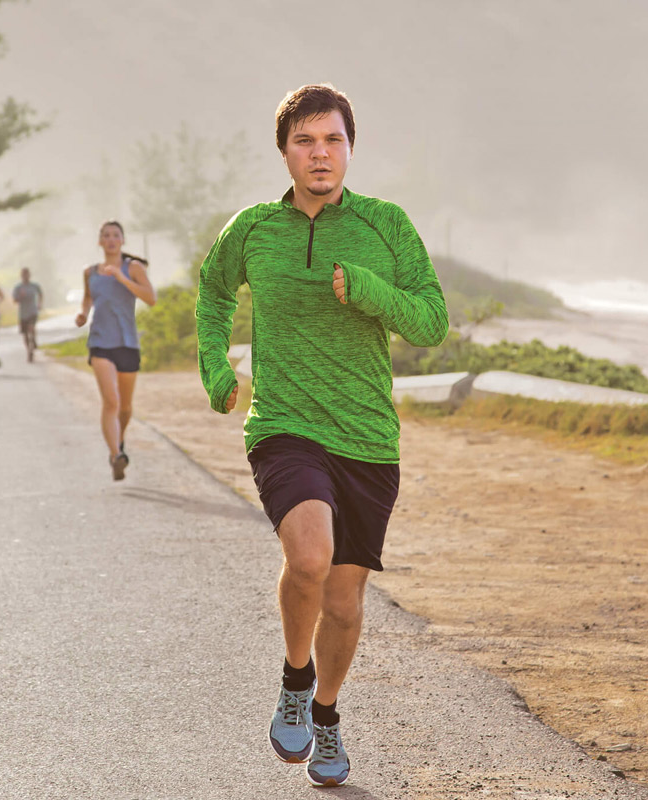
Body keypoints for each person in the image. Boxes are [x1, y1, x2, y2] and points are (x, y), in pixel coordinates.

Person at [195, 84, 448, 787]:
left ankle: (327, 716)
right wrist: (216, 366)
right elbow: (213, 293)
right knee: (308, 557)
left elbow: (430, 322)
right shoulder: (250, 229)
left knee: (344, 601)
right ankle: (294, 678)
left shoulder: (385, 226)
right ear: (284, 152)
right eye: (305, 141)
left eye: (332, 140)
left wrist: (371, 291)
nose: (320, 154)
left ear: (350, 149)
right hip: (284, 426)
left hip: (367, 437)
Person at [74, 221, 156, 480]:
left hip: (128, 342)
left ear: (122, 240)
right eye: (105, 235)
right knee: (112, 401)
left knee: (126, 407)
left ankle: (118, 441)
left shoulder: (133, 267)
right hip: (100, 342)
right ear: (100, 241)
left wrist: (122, 278)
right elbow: (88, 297)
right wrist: (83, 314)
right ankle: (115, 455)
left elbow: (150, 298)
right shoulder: (90, 272)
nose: (110, 239)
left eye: (115, 235)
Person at [13, 267, 44, 362]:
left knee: (31, 327)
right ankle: (29, 351)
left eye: (27, 274)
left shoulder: (34, 286)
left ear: (29, 275)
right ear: (21, 276)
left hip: (32, 311)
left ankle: (34, 340)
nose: (25, 276)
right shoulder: (18, 287)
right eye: (23, 274)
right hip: (23, 313)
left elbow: (40, 294)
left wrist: (39, 303)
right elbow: (15, 300)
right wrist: (20, 296)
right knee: (25, 334)